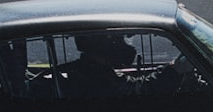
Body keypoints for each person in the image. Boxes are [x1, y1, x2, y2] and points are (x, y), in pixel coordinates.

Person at [64, 33, 192, 97]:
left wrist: (170, 69)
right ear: (103, 46)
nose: (125, 46)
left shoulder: (90, 68)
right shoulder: (94, 76)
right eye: (119, 41)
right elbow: (138, 91)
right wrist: (174, 71)